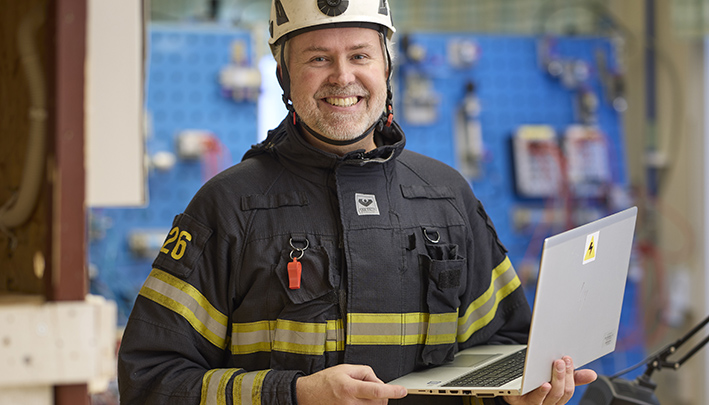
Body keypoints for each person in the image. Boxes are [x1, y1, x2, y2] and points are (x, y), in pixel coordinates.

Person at [117, 1, 597, 404]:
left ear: (386, 67)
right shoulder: (229, 206)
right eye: (318, 59)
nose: (342, 77)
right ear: (284, 74)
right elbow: (150, 378)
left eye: (360, 55)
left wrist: (517, 392)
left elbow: (508, 344)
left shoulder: (447, 196)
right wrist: (296, 393)